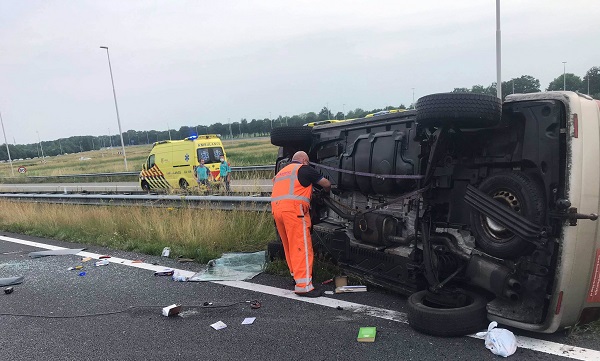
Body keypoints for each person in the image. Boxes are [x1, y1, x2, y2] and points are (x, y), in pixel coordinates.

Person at [271, 151, 331, 297]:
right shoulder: (303, 169)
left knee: (289, 245)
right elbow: (326, 183)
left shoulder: (281, 172)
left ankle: (296, 277)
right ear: (304, 160)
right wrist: (326, 192)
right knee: (301, 246)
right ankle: (304, 286)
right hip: (293, 211)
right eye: (308, 162)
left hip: (277, 210)